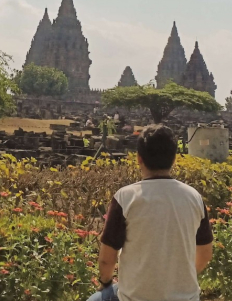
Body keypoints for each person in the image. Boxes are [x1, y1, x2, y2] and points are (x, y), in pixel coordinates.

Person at [88, 125, 213, 301]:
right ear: (174, 159)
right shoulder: (194, 197)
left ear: (139, 158)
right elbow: (206, 254)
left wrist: (105, 282)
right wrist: (181, 279)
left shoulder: (126, 197)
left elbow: (106, 260)